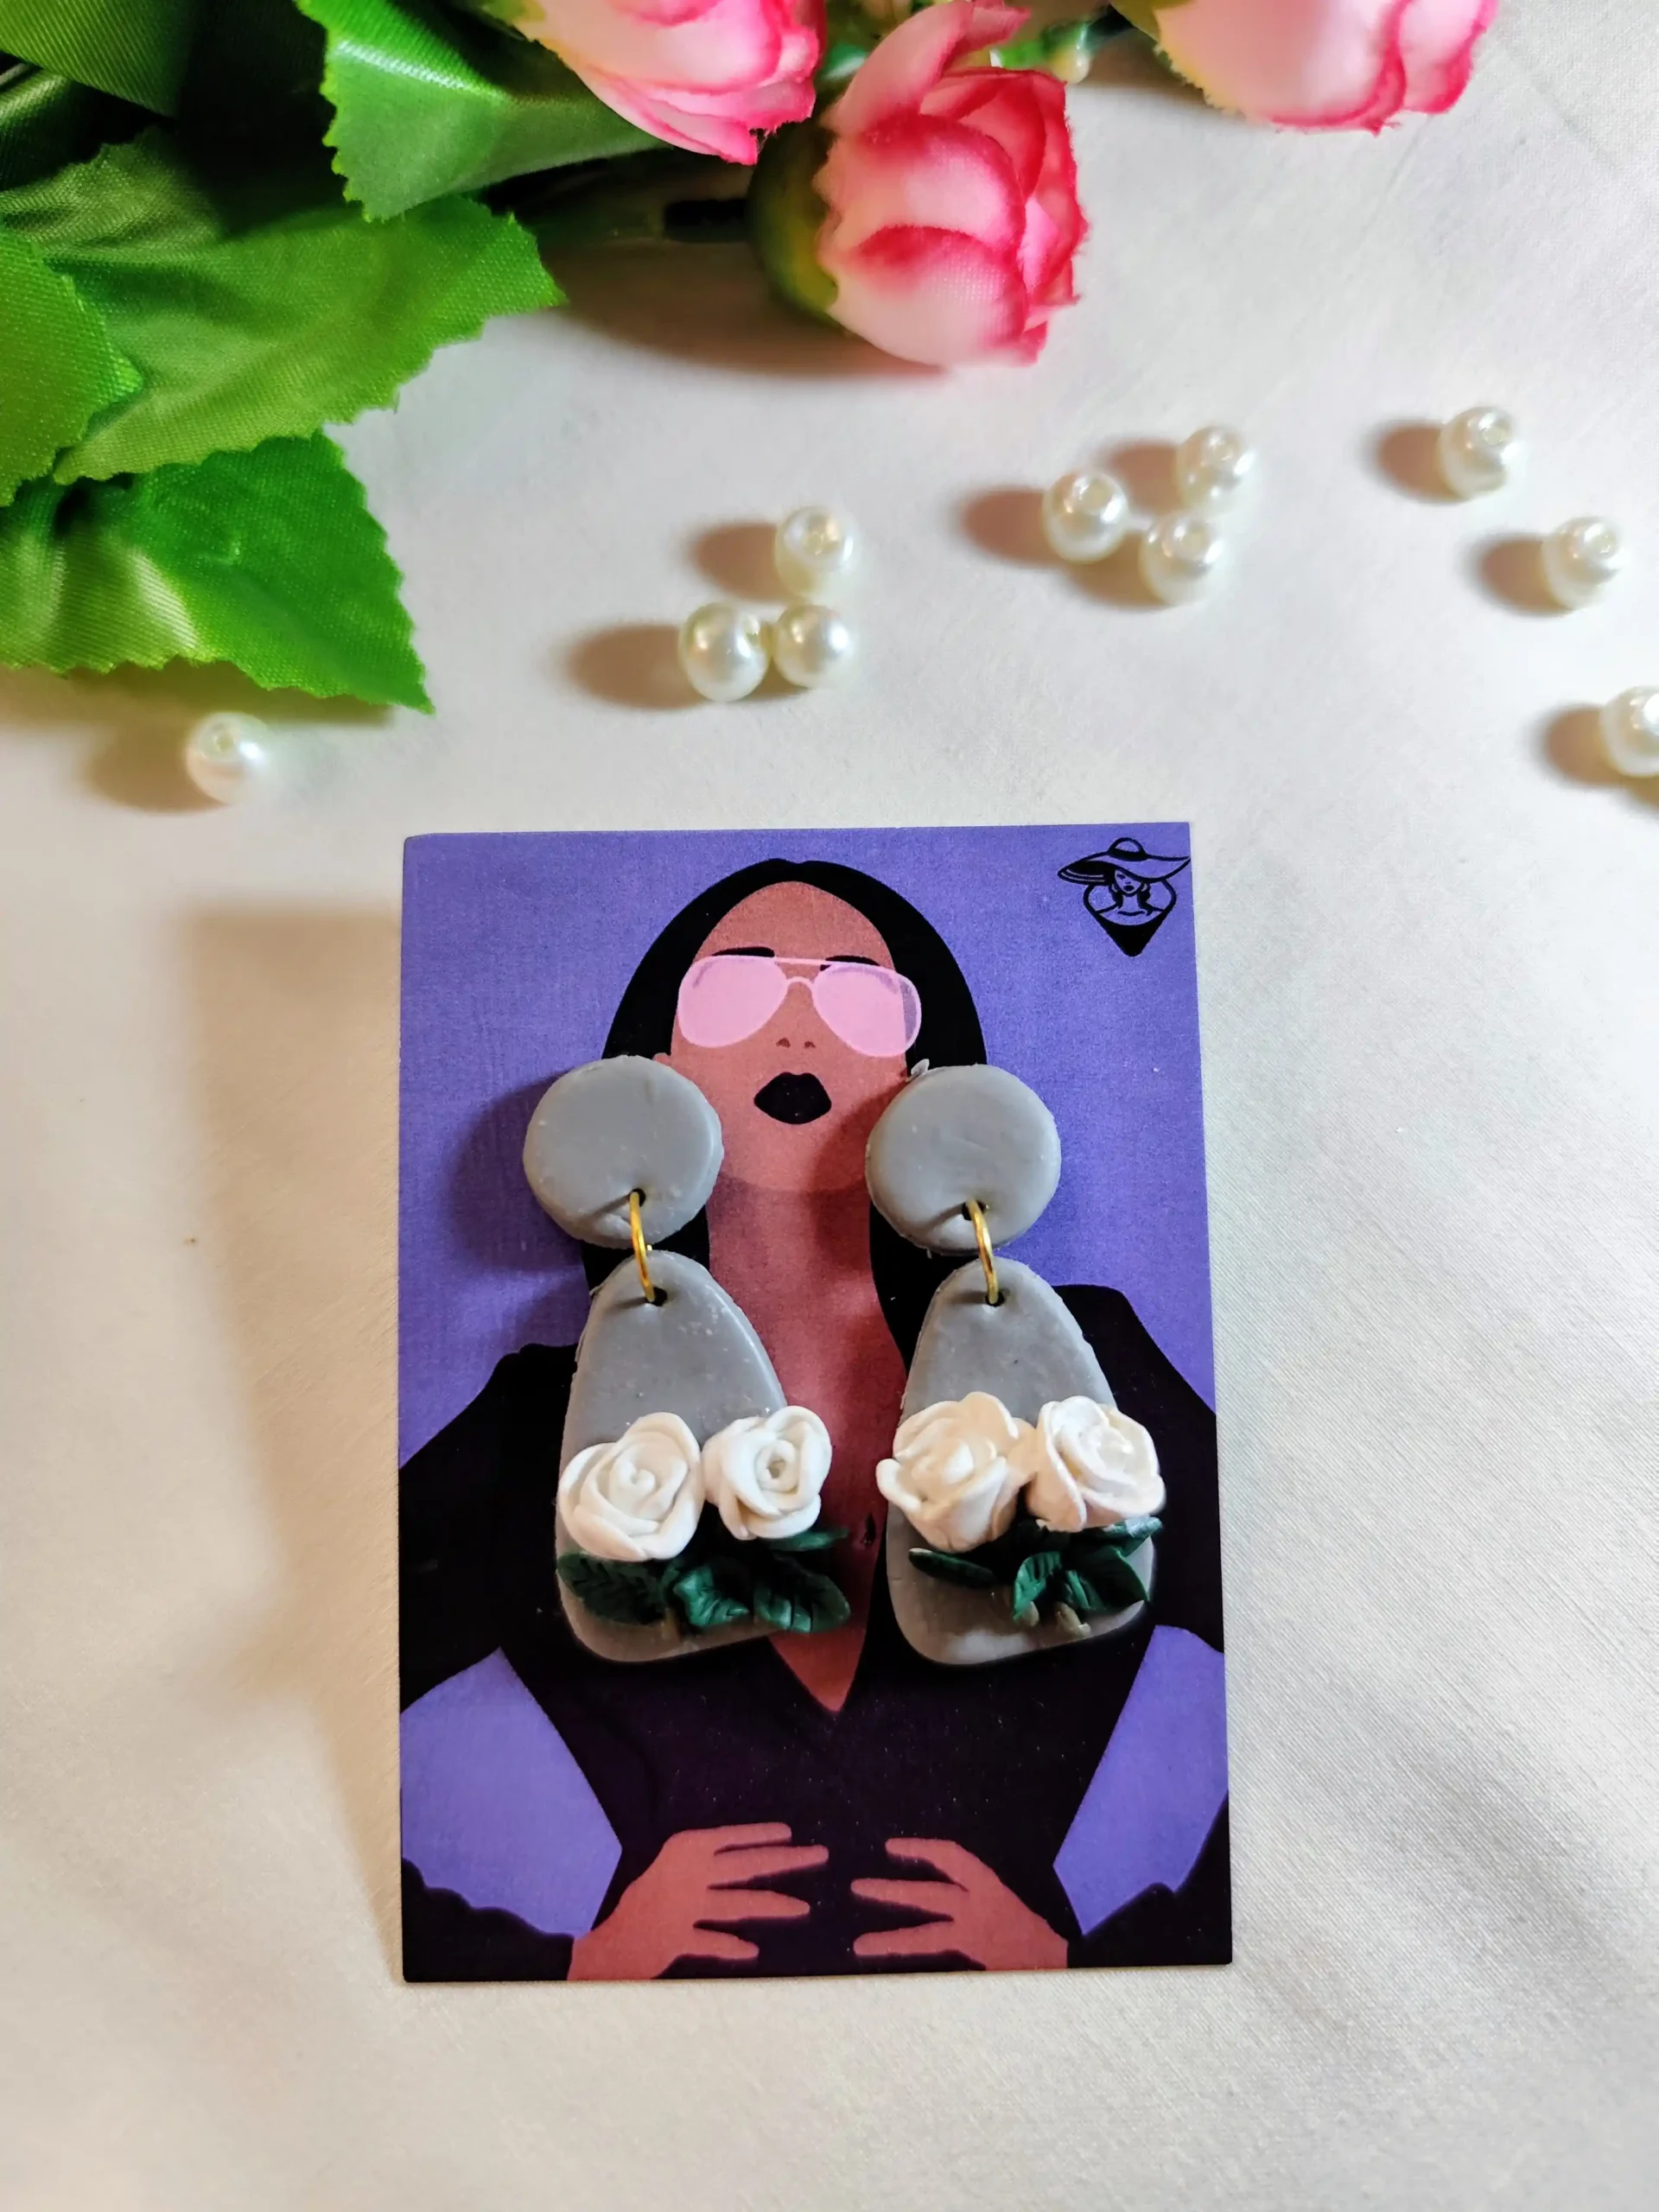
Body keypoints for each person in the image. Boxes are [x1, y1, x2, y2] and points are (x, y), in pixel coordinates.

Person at [401, 859, 1228, 1979]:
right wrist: (575, 1961)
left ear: (921, 1076)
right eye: (736, 989)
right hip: (655, 2043)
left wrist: (1096, 1949)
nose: (798, 1029)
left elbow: (1304, 1641)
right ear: (657, 1068)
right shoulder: (552, 1408)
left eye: (857, 996)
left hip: (1031, 2033)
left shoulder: (1081, 1361)